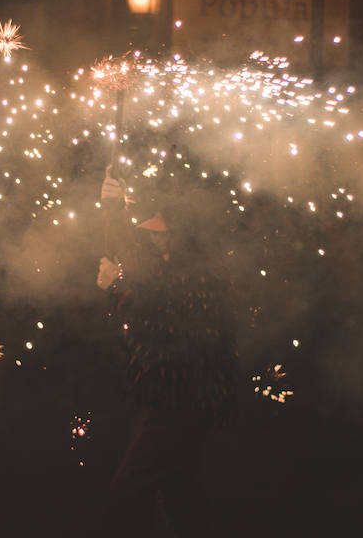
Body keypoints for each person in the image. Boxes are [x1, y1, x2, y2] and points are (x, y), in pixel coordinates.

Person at [100, 165, 238, 537]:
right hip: (179, 393)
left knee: (131, 488)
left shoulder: (197, 274)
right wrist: (112, 213)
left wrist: (119, 285)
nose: (155, 242)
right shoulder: (174, 268)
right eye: (153, 236)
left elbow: (161, 319)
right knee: (181, 494)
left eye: (162, 236)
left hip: (184, 393)